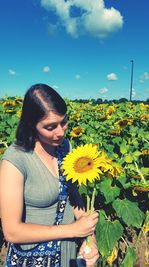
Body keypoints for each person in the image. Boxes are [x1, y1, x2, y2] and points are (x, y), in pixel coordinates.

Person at [0, 84, 99, 267]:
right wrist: (72, 230)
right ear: (31, 125)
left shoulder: (65, 147)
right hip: (31, 259)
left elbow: (73, 196)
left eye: (64, 122)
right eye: (50, 127)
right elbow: (12, 232)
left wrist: (89, 238)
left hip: (67, 252)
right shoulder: (15, 160)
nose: (60, 132)